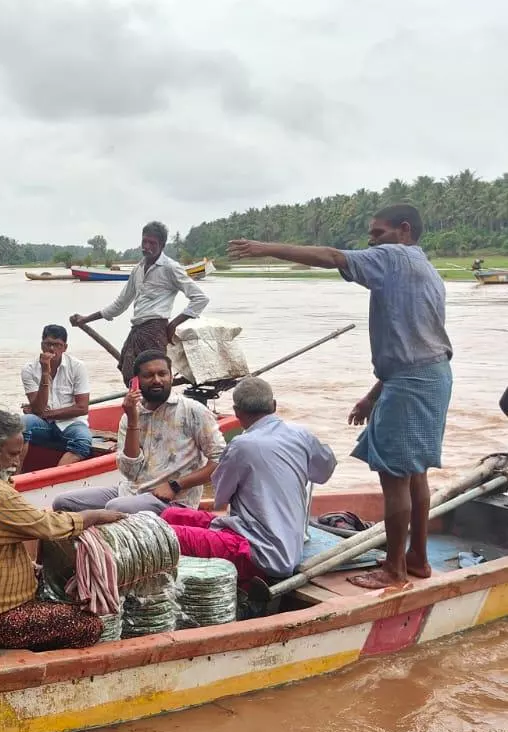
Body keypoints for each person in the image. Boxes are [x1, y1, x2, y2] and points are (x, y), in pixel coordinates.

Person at [228, 204, 452, 588]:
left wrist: (265, 248)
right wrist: (373, 395)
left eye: (378, 233)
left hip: (412, 383)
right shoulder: (427, 270)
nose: (372, 241)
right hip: (425, 377)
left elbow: (332, 257)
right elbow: (416, 344)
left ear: (403, 231)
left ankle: (394, 570)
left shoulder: (395, 257)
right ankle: (416, 558)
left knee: (394, 476)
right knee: (415, 473)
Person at [0, 411, 125, 650]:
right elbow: (49, 527)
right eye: (13, 454)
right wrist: (92, 516)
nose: (17, 462)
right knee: (88, 625)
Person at [160, 378, 336, 579]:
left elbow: (221, 497)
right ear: (274, 406)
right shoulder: (302, 435)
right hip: (276, 540)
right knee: (171, 515)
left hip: (258, 553)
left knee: (165, 536)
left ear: (236, 412)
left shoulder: (240, 445)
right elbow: (324, 471)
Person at [52, 351, 225, 514]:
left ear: (171, 377)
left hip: (174, 500)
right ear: (135, 381)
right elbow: (130, 472)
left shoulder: (193, 411)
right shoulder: (129, 416)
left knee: (115, 507)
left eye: (162, 374)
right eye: (148, 375)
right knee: (62, 502)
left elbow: (221, 460)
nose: (157, 380)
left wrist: (175, 486)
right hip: (130, 491)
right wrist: (133, 420)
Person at [70, 221, 209, 384]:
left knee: (154, 378)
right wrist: (86, 319)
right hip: (138, 329)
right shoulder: (137, 269)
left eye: (152, 243)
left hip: (155, 330)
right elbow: (119, 305)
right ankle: (138, 407)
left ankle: (157, 406)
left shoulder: (170, 268)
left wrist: (173, 325)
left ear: (162, 245)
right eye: (145, 241)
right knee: (129, 373)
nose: (147, 246)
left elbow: (200, 298)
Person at [21, 324, 94, 466]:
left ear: (65, 347)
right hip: (43, 425)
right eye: (48, 344)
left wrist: (45, 414)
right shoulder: (29, 369)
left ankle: (56, 477)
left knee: (83, 440)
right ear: (42, 345)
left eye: (57, 345)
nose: (52, 349)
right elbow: (38, 409)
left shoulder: (77, 367)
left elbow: (82, 408)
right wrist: (45, 372)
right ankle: (15, 478)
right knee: (20, 424)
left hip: (71, 423)